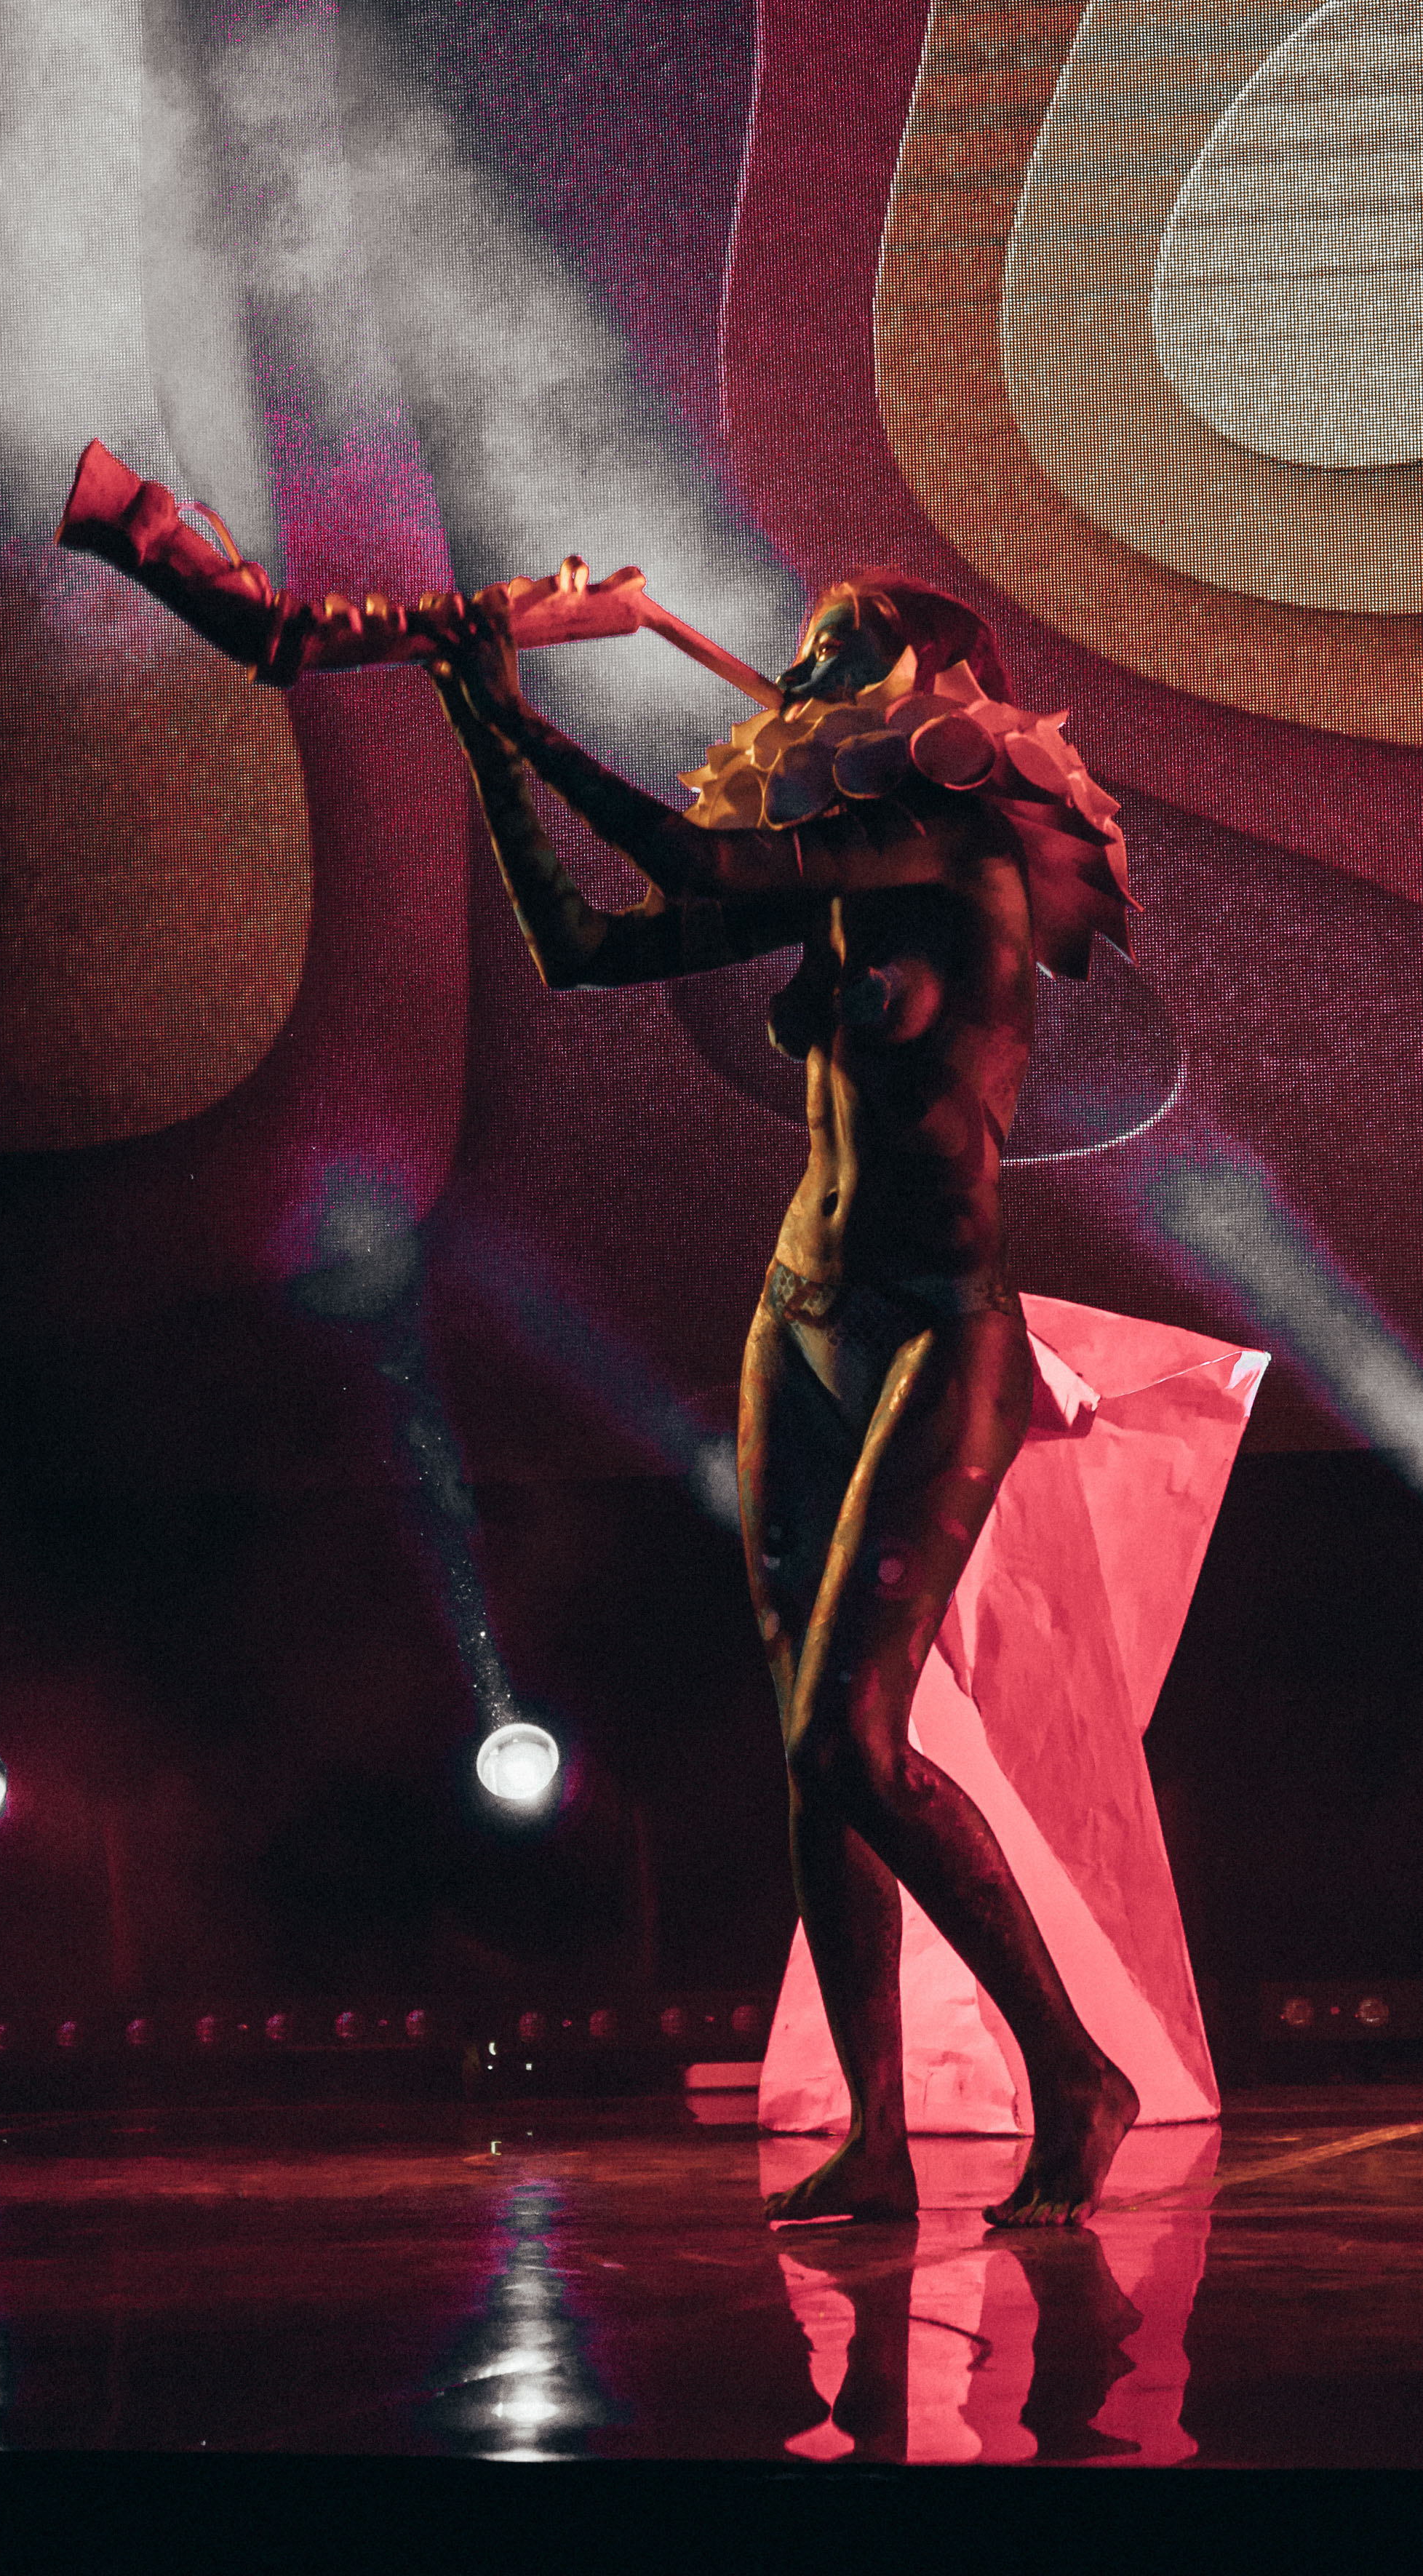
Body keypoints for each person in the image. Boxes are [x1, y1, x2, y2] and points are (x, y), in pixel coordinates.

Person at [421, 578, 1140, 2228]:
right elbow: (581, 948)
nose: (806, 659)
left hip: (937, 1334)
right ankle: (878, 2135)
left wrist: (519, 712)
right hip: (796, 1324)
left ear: (932, 682)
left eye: (842, 638)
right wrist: (477, 729)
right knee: (814, 1762)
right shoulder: (836, 894)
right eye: (809, 641)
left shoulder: (953, 852)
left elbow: (696, 864)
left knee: (848, 1739)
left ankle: (1075, 2069)